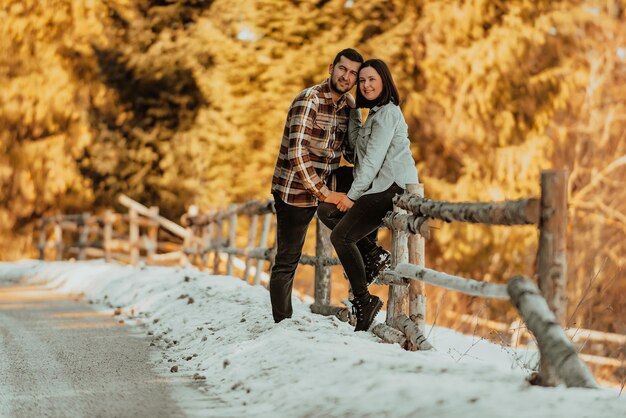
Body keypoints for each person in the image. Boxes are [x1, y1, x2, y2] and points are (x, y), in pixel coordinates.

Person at [317, 58, 419, 332]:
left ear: (384, 80)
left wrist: (351, 196)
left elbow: (371, 162)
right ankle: (372, 253)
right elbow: (356, 146)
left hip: (392, 185)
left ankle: (364, 300)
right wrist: (352, 110)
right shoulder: (374, 114)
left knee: (341, 236)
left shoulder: (387, 113)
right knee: (326, 210)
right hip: (377, 184)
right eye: (361, 81)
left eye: (371, 79)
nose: (366, 84)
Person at [269, 48, 363, 323]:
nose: (346, 77)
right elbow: (296, 153)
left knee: (362, 200)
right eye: (343, 69)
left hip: (327, 184)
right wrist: (327, 194)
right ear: (331, 67)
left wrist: (358, 117)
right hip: (294, 191)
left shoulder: (348, 106)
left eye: (353, 73)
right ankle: (282, 322)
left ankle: (369, 262)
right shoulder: (309, 99)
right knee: (288, 259)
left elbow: (348, 152)